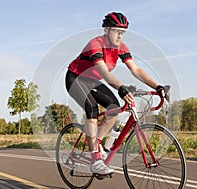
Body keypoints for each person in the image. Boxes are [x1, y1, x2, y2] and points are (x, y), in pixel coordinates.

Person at [65, 12, 165, 175]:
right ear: (106, 30)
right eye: (116, 31)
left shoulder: (121, 48)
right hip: (75, 78)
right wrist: (120, 87)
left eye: (123, 32)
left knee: (114, 108)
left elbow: (136, 69)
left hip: (92, 81)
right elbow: (103, 72)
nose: (120, 36)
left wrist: (157, 86)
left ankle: (96, 143)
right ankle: (95, 160)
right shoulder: (95, 44)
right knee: (92, 110)